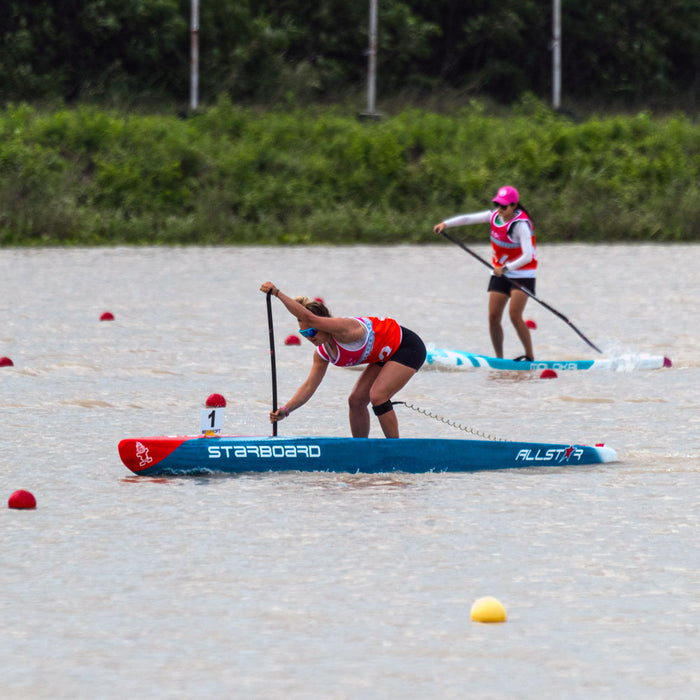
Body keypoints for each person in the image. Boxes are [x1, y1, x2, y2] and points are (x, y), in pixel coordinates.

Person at [260, 282, 426, 438]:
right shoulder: (322, 353)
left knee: (378, 396)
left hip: (407, 347)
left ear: (324, 324)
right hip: (384, 354)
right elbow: (309, 386)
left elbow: (309, 318)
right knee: (355, 401)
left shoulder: (344, 329)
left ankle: (396, 449)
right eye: (304, 334)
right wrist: (286, 410)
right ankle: (360, 451)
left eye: (311, 332)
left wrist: (277, 293)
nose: (309, 338)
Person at [433, 185, 537, 360]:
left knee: (514, 315)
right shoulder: (494, 216)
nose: (500, 209)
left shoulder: (521, 225)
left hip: (522, 274)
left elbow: (528, 255)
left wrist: (505, 269)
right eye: (497, 204)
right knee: (493, 316)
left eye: (504, 206)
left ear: (514, 206)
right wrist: (446, 224)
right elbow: (467, 219)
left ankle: (530, 357)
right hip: (499, 274)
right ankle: (499, 359)